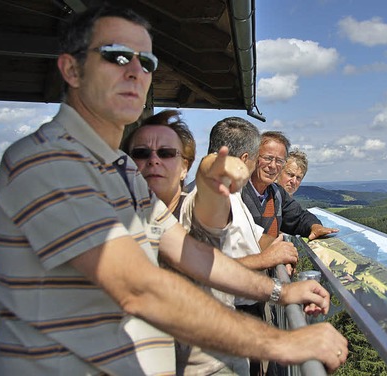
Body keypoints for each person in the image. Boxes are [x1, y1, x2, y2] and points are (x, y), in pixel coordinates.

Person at [0, 5, 348, 375]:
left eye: (147, 62)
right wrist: (282, 342)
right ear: (72, 69)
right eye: (117, 56)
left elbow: (188, 251)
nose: (135, 72)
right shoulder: (48, 162)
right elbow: (139, 288)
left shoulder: (122, 169)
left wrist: (280, 293)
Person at [123, 113, 299, 375]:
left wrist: (280, 252)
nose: (154, 160)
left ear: (184, 167)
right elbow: (211, 267)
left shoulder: (219, 201)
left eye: (167, 153)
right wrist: (272, 271)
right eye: (141, 153)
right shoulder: (128, 222)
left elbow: (240, 233)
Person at [241, 131, 339, 240]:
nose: (273, 165)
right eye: (268, 158)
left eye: (279, 161)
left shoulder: (277, 193)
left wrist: (315, 227)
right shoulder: (236, 192)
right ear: (254, 157)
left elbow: (299, 217)